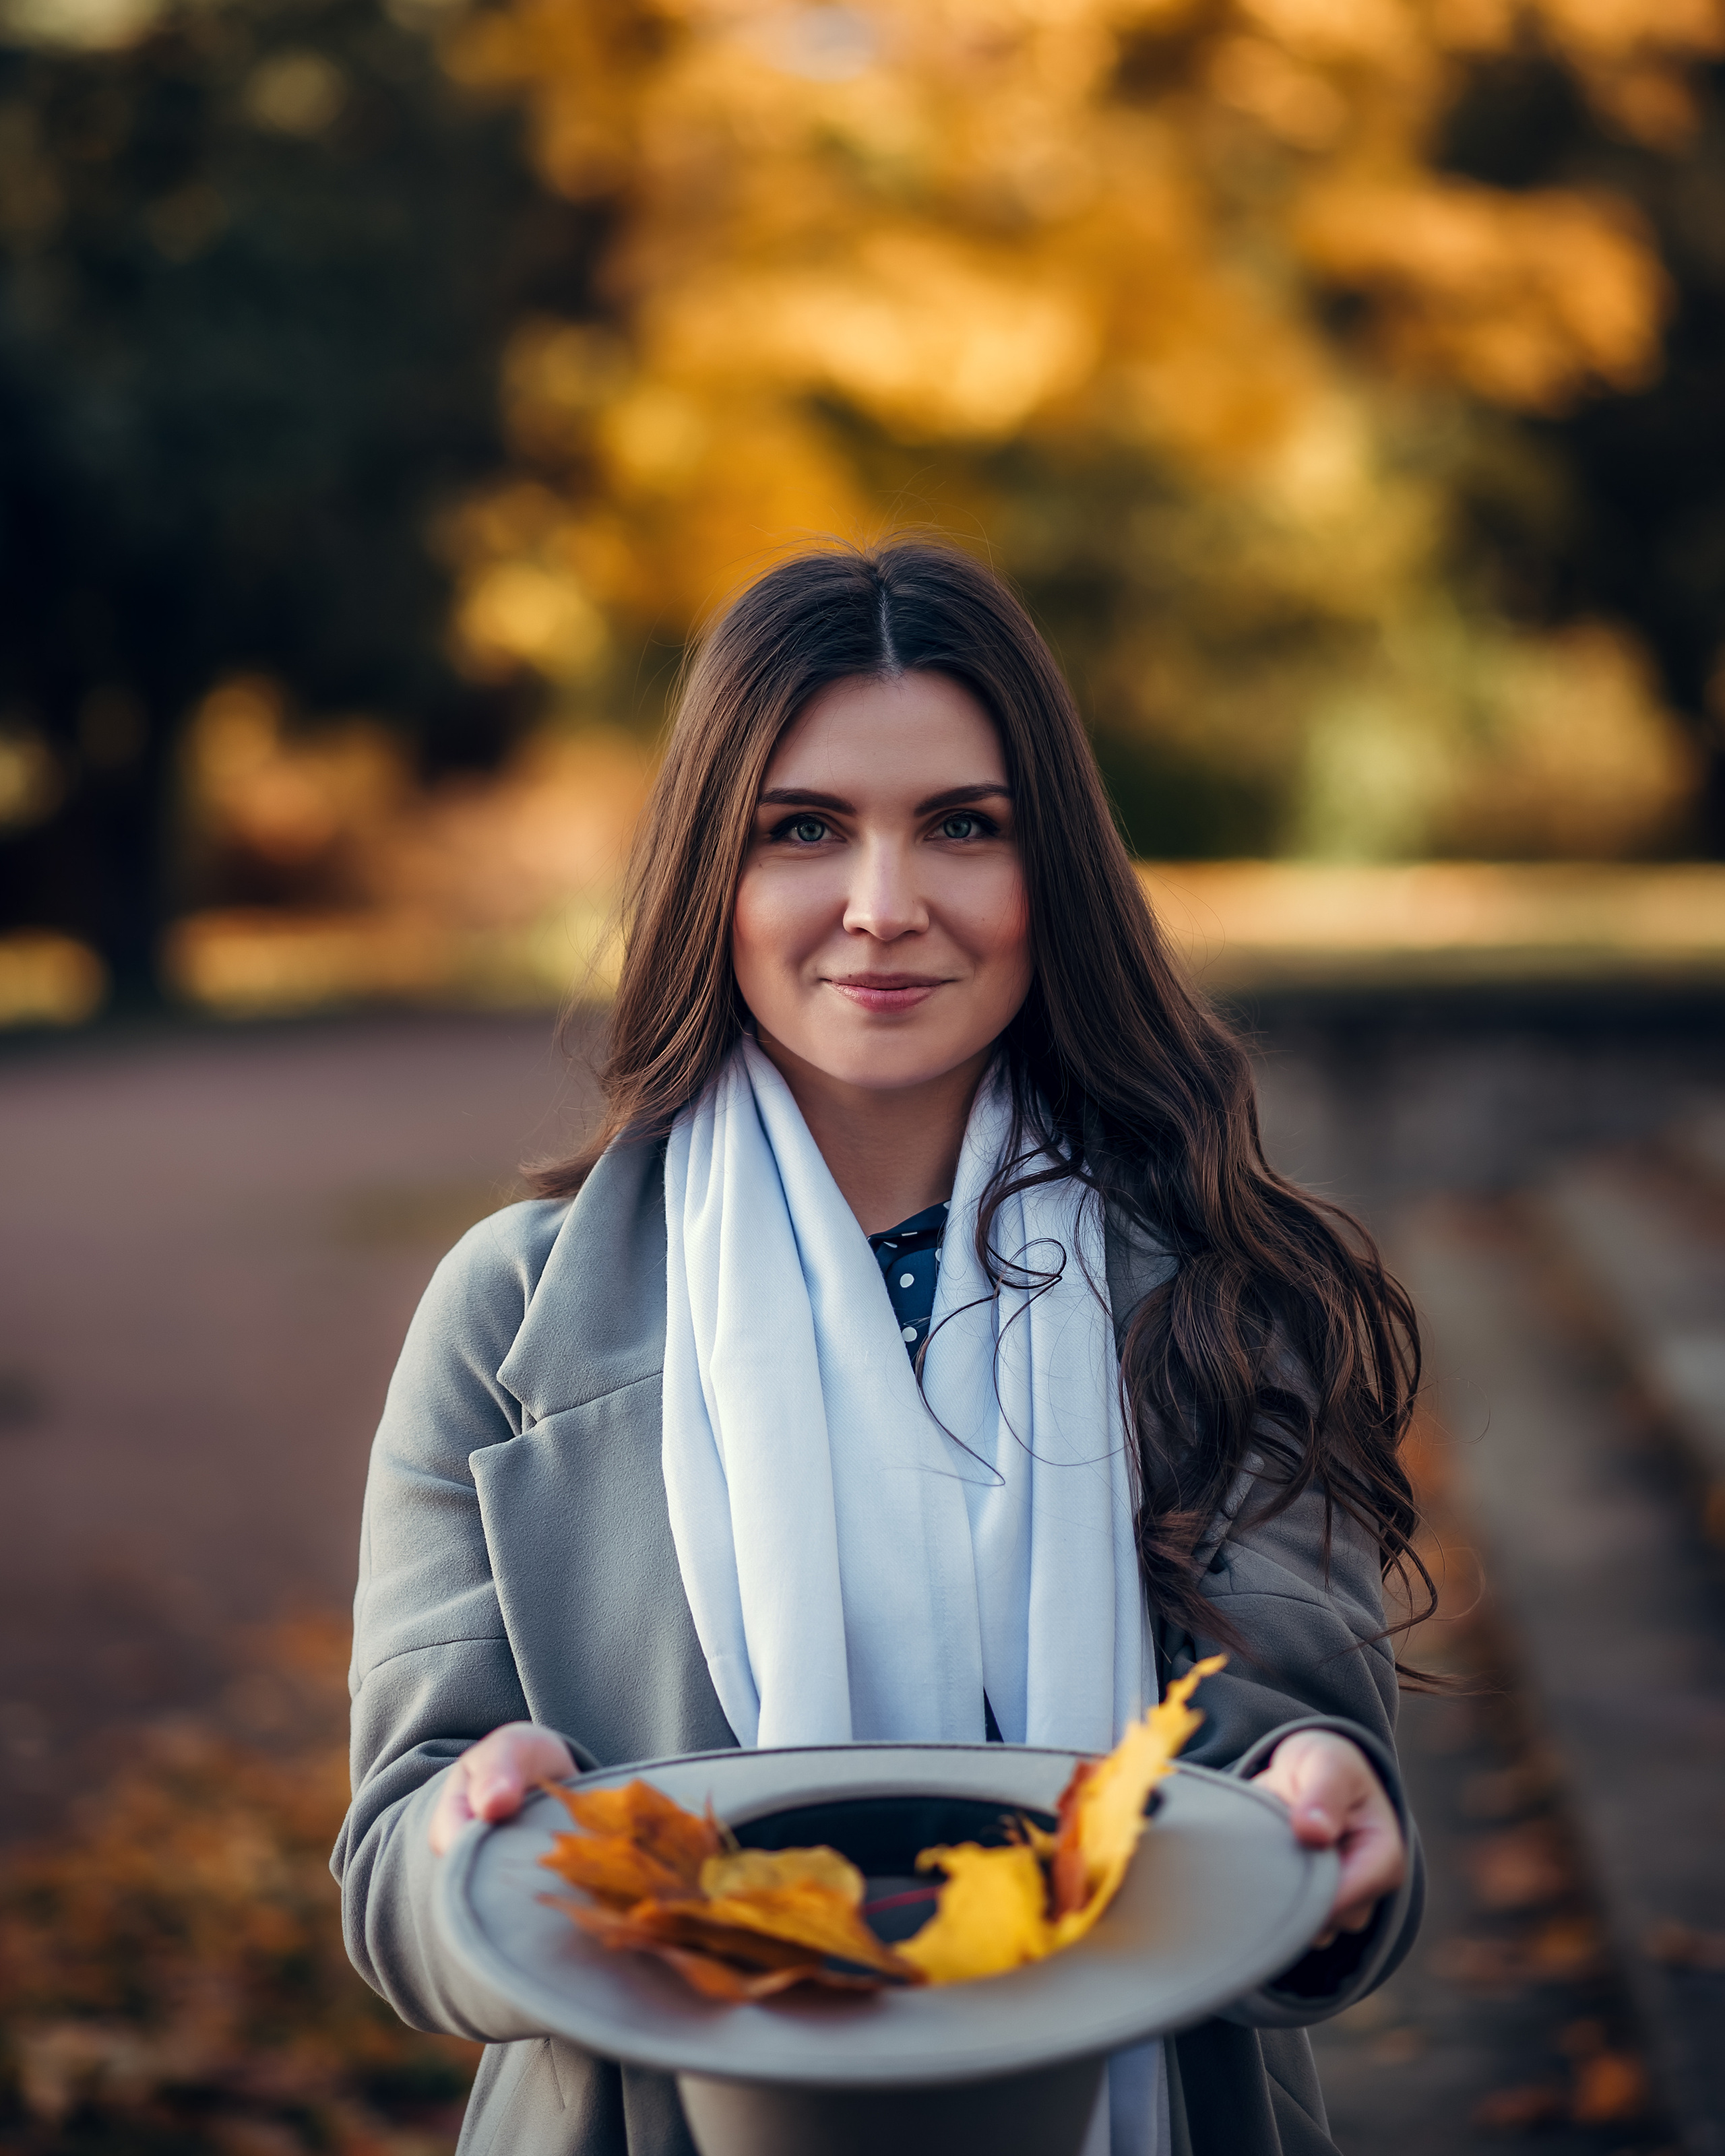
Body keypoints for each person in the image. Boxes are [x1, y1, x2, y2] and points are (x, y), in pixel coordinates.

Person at [334, 539, 1425, 2156]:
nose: (883, 905)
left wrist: (1320, 1819)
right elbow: (392, 1873)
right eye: (803, 829)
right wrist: (478, 1839)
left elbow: (1295, 1776)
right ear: (713, 867)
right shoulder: (507, 1313)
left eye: (961, 826)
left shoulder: (1220, 1288)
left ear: (1049, 865)